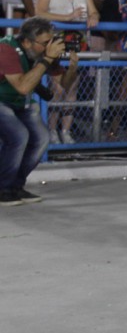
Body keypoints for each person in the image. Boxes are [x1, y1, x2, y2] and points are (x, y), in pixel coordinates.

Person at [0, 18, 79, 205]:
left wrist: (73, 68)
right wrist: (48, 58)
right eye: (45, 43)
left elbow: (64, 85)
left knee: (42, 139)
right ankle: (3, 189)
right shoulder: (6, 49)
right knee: (19, 136)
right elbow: (23, 87)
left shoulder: (40, 52)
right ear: (27, 41)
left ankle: (15, 186)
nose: (49, 46)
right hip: (5, 99)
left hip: (18, 102)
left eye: (51, 42)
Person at [34, 0, 99, 144]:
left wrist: (93, 17)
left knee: (72, 86)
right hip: (55, 41)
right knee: (57, 86)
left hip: (76, 42)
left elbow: (93, 10)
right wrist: (67, 17)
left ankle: (66, 130)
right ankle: (52, 129)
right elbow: (40, 12)